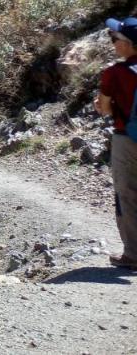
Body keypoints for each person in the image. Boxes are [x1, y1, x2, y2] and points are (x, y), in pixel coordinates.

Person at [96, 16, 137, 270]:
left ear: (130, 45)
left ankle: (133, 253)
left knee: (127, 194)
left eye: (116, 39)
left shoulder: (114, 73)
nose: (113, 43)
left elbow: (104, 108)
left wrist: (100, 105)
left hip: (127, 139)